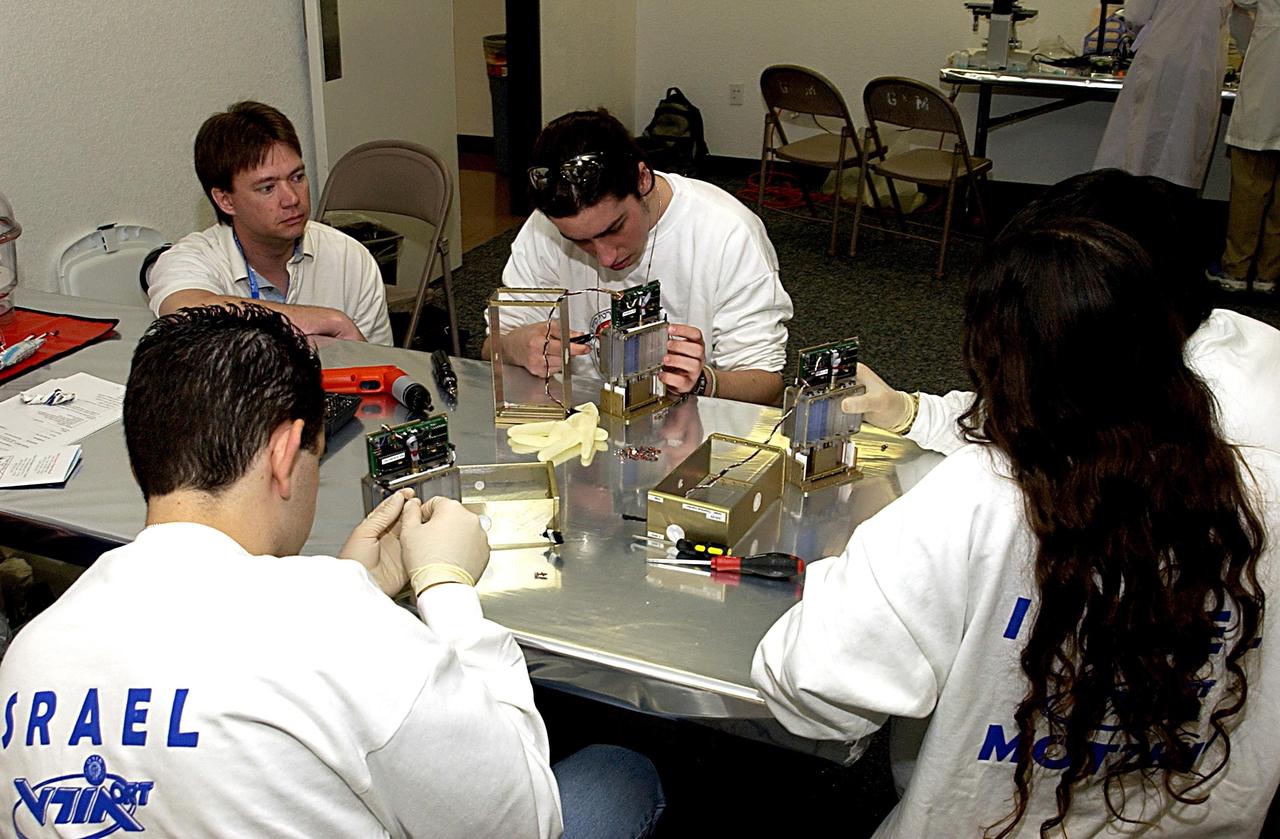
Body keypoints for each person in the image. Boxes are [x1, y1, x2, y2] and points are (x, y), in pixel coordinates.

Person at [0, 305, 662, 837]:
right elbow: (525, 818)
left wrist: (356, 586)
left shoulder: (31, 653)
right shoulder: (337, 627)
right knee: (619, 775)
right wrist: (447, 588)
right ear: (286, 453)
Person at [753, 220, 1280, 836]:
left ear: (997, 362)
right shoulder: (1263, 487)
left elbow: (813, 692)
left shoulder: (976, 498)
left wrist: (840, 573)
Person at [848, 168, 1280, 456]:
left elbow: (1044, 448)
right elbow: (1021, 420)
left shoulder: (1197, 411)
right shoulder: (1173, 339)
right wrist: (906, 411)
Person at [482, 109, 793, 406]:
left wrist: (704, 382)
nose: (605, 257)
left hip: (687, 420)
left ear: (643, 179)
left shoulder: (729, 233)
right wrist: (512, 347)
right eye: (579, 241)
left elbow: (767, 383)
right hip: (580, 416)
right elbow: (489, 348)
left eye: (614, 228)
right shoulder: (544, 228)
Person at [147, 101, 393, 345]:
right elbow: (186, 311)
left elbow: (382, 364)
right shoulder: (191, 258)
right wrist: (330, 321)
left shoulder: (350, 258)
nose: (292, 199)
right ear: (226, 201)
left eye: (297, 177)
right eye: (267, 188)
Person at [1094, 0, 1234, 191]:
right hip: (1204, 67)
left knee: (1140, 151)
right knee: (1181, 153)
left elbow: (1136, 16)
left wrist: (1137, 32)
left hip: (1162, 55)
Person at [1210, 0, 1280, 293]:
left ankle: (1236, 270)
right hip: (1265, 97)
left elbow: (1240, 4)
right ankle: (1269, 273)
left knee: (1249, 194)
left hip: (1263, 99)